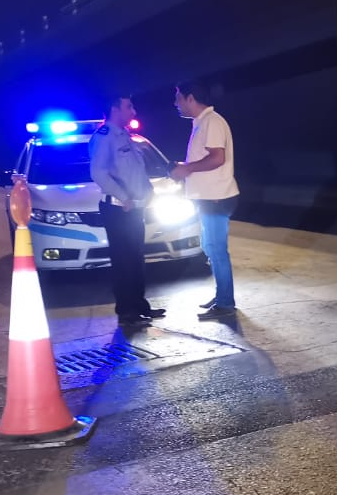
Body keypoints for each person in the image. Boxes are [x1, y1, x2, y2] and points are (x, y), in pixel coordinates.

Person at [89, 94, 164, 329]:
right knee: (123, 260)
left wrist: (148, 190)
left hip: (133, 209)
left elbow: (136, 171)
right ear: (114, 109)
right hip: (117, 208)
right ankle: (126, 312)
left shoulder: (126, 136)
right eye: (128, 106)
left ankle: (140, 306)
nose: (133, 111)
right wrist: (124, 197)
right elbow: (98, 172)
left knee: (136, 258)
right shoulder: (104, 137)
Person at [171, 81, 240, 320]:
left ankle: (225, 302)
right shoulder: (202, 122)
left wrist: (187, 169)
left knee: (217, 250)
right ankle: (222, 294)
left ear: (191, 98)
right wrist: (185, 168)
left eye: (178, 98)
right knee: (209, 246)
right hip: (208, 197)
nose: (175, 103)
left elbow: (217, 158)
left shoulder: (212, 122)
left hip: (216, 198)